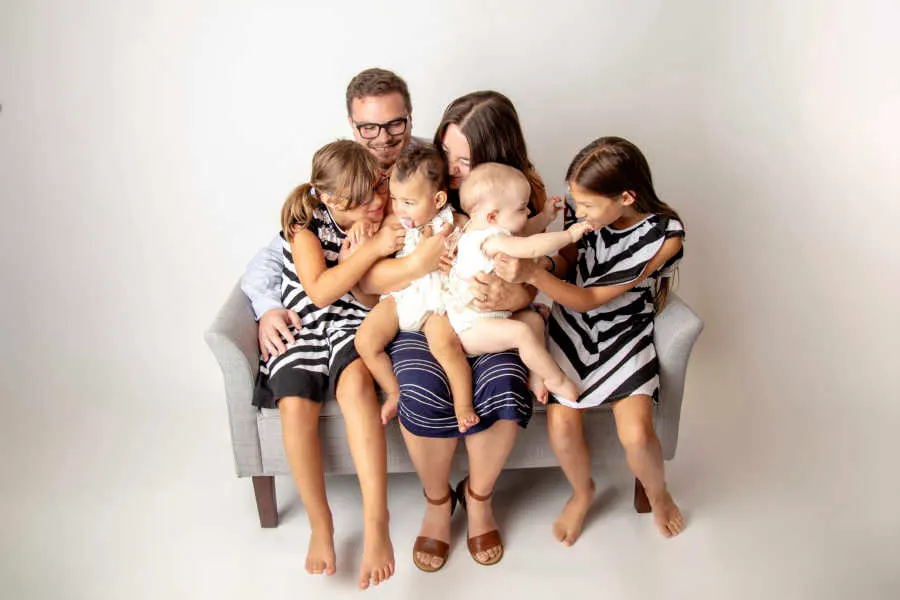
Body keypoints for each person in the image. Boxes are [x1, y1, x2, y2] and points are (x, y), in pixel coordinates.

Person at [357, 91, 554, 571]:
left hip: (486, 321)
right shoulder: (418, 181)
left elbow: (550, 268)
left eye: (464, 160)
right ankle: (437, 501)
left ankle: (479, 496)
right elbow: (369, 278)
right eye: (447, 152)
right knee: (420, 387)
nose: (451, 167)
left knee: (504, 383)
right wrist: (421, 263)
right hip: (426, 312)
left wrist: (516, 293)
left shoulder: (518, 192)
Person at [494, 136, 687, 545]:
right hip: (571, 326)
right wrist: (540, 256)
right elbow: (569, 263)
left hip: (624, 328)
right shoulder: (586, 216)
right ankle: (582, 492)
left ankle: (659, 493)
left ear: (627, 197)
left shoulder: (663, 236)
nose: (578, 213)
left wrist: (532, 275)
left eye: (586, 206)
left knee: (636, 435)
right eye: (576, 203)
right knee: (561, 425)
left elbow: (590, 299)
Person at [252, 140, 405, 588]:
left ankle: (377, 521)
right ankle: (321, 523)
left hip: (350, 322)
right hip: (301, 323)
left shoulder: (375, 223)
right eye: (362, 199)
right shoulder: (305, 227)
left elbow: (368, 300)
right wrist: (369, 250)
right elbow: (319, 291)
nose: (376, 201)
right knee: (294, 405)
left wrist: (367, 253)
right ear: (333, 200)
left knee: (356, 387)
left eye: (378, 188)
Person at [241, 68, 445, 360]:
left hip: (431, 307)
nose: (383, 138)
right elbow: (276, 254)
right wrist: (268, 308)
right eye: (369, 127)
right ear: (352, 125)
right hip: (365, 318)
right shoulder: (337, 182)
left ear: (409, 117)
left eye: (394, 124)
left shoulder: (433, 166)